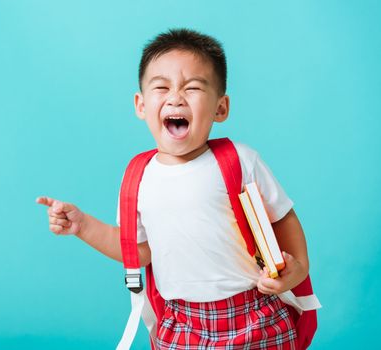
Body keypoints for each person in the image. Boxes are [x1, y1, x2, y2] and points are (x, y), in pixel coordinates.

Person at [37, 28, 310, 349]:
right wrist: (83, 226)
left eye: (193, 87)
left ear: (221, 108)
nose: (176, 96)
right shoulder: (138, 177)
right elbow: (138, 250)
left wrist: (297, 268)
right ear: (140, 105)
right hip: (181, 323)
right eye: (162, 87)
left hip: (253, 315)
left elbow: (282, 217)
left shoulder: (241, 160)